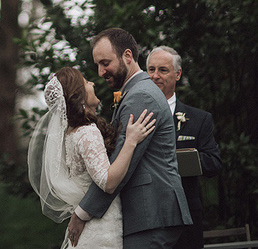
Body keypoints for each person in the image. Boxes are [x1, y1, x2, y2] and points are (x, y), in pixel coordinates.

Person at [68, 28, 192, 249]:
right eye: (97, 65)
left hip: (152, 213)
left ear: (127, 56)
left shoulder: (141, 96)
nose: (100, 72)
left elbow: (122, 164)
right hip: (148, 214)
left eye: (105, 63)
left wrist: (82, 213)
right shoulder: (136, 92)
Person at [28, 66, 156, 249]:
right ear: (78, 94)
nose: (93, 83)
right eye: (86, 81)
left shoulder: (72, 133)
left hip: (95, 225)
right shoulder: (87, 132)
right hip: (101, 229)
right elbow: (108, 182)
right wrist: (131, 141)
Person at [146, 46, 222, 249]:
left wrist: (183, 160)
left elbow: (214, 164)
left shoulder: (198, 119)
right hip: (146, 217)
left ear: (177, 74)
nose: (155, 76)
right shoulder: (134, 116)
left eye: (163, 70)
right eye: (151, 70)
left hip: (185, 218)